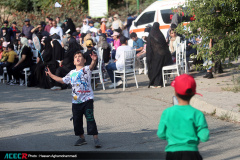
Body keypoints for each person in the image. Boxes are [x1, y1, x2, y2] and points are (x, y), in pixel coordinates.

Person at [45, 51, 101, 148]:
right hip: (76, 102)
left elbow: (92, 66)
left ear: (84, 60)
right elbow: (62, 80)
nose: (78, 58)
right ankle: (82, 138)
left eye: (80, 56)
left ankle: (96, 138)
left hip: (87, 100)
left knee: (90, 118)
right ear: (74, 62)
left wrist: (94, 61)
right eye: (75, 57)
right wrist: (50, 74)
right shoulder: (71, 73)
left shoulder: (86, 69)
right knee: (76, 120)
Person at [157, 74, 209, 160]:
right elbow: (204, 137)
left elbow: (161, 134)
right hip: (192, 154)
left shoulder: (167, 112)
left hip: (172, 154)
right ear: (193, 93)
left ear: (175, 92)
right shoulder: (197, 114)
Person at [146, 22, 173, 88]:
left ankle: (156, 83)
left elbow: (149, 48)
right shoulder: (160, 34)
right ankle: (161, 82)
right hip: (165, 57)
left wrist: (149, 58)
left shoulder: (151, 35)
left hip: (156, 57)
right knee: (158, 65)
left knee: (154, 66)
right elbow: (165, 45)